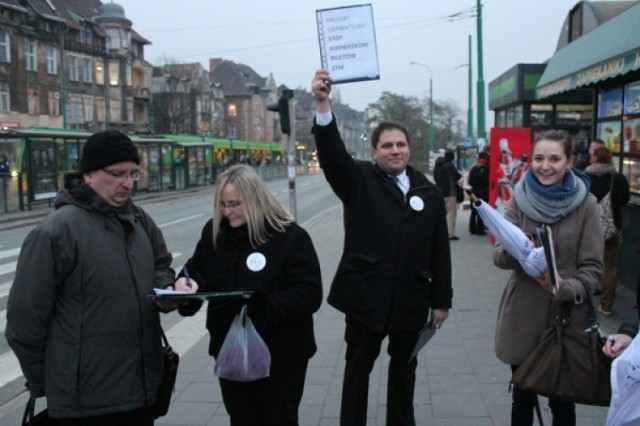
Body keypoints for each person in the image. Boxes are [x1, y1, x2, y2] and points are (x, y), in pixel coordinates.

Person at [5, 130, 194, 425]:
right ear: (89, 174)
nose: (128, 183)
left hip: (142, 389)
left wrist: (167, 290)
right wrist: (47, 381)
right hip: (86, 400)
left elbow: (161, 263)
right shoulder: (57, 231)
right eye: (117, 174)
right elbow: (24, 320)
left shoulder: (139, 218)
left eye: (133, 173)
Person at [311, 69, 452, 426]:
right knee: (358, 370)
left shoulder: (429, 192)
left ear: (409, 149)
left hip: (411, 298)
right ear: (374, 151)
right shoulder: (358, 180)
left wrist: (441, 301)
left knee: (405, 371)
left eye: (400, 144)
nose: (395, 150)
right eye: (387, 145)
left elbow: (440, 251)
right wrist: (323, 104)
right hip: (365, 298)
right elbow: (331, 155)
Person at [176, 164, 322, 425]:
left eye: (234, 204)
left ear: (256, 199)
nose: (226, 212)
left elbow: (310, 293)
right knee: (241, 417)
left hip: (281, 354)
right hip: (230, 349)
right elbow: (196, 268)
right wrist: (187, 286)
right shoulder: (215, 231)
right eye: (221, 204)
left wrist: (266, 305)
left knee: (279, 418)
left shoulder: (290, 237)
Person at [493, 129, 604, 425]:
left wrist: (563, 287)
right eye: (539, 158)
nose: (545, 166)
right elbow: (499, 256)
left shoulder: (587, 205)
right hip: (523, 317)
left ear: (569, 161)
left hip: (567, 319)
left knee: (563, 403)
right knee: (522, 397)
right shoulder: (519, 197)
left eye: (555, 158)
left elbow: (593, 271)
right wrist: (518, 248)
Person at [585, 146, 630, 315]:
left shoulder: (585, 177)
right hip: (613, 228)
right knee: (609, 265)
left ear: (595, 158)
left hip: (589, 229)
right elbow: (624, 200)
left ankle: (581, 298)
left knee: (584, 261)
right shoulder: (618, 179)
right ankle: (606, 305)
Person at [434, 150, 462, 240]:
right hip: (450, 192)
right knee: (451, 214)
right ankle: (450, 234)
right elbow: (457, 176)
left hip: (439, 192)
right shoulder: (449, 165)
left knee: (442, 214)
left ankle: (439, 233)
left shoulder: (437, 166)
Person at [468, 151, 490, 235]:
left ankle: (472, 229)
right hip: (482, 192)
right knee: (481, 211)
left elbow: (470, 182)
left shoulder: (472, 170)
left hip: (473, 192)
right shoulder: (484, 170)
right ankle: (480, 230)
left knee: (473, 212)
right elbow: (485, 181)